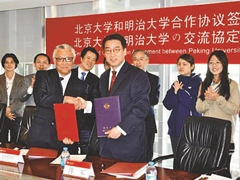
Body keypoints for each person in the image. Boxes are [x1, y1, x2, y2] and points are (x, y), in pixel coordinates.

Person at [26, 44, 89, 153]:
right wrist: (65, 99)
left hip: (65, 140)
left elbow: (79, 114)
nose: (64, 63)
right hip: (42, 135)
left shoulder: (82, 86)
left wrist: (71, 134)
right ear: (54, 61)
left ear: (73, 60)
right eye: (60, 59)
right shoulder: (43, 76)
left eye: (68, 59)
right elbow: (40, 99)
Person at [99, 33, 150, 162]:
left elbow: (141, 108)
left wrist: (120, 129)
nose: (112, 54)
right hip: (106, 144)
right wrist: (86, 105)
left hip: (129, 144)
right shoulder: (104, 77)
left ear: (125, 51)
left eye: (116, 50)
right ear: (103, 53)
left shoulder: (137, 75)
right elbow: (103, 106)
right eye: (108, 50)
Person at [196, 50, 240, 175]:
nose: (214, 66)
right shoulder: (204, 84)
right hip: (207, 134)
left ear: (224, 64)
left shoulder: (232, 85)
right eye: (211, 63)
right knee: (205, 171)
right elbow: (199, 108)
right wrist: (210, 100)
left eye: (217, 62)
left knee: (222, 172)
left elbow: (234, 109)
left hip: (225, 135)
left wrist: (218, 98)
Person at [163, 54, 202, 154]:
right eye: (179, 64)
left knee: (189, 161)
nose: (181, 67)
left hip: (189, 128)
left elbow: (193, 104)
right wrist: (175, 92)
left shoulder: (198, 83)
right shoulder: (177, 83)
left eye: (184, 64)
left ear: (192, 66)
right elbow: (167, 104)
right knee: (177, 160)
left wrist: (179, 92)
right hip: (175, 128)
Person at [132, 49, 160, 161]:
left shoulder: (154, 79)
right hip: (130, 122)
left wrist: (138, 97)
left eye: (141, 59)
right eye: (135, 59)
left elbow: (155, 99)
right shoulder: (126, 79)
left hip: (147, 120)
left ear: (147, 61)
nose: (138, 62)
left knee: (147, 154)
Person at [72, 46, 100, 154]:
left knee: (86, 155)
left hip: (86, 124)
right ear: (81, 58)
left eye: (94, 60)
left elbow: (96, 101)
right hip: (68, 121)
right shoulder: (69, 74)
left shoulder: (96, 80)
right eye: (88, 58)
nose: (90, 62)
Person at [0, 53, 25, 143]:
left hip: (17, 115)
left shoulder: (22, 79)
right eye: (6, 62)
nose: (9, 64)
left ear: (16, 64)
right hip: (1, 115)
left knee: (17, 142)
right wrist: (5, 111)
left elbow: (22, 98)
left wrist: (10, 109)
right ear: (3, 64)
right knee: (2, 142)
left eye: (12, 62)